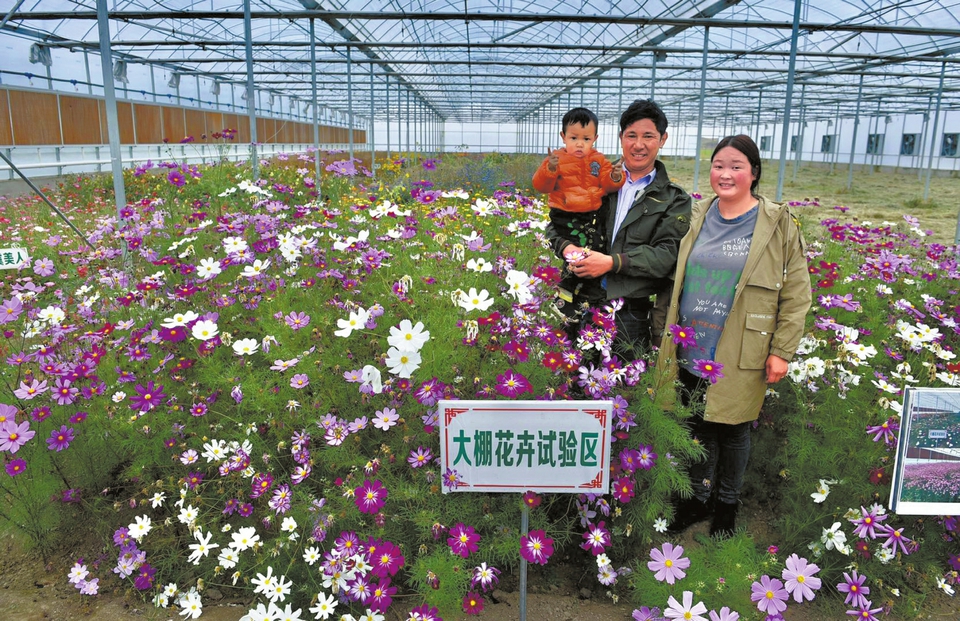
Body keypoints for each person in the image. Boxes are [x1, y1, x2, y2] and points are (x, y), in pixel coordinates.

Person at [657, 134, 812, 537]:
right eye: (718, 165)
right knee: (697, 424)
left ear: (754, 173)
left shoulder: (777, 224)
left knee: (734, 427)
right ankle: (697, 499)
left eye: (736, 166)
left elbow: (797, 293)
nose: (725, 174)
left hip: (743, 345)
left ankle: (726, 505)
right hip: (692, 342)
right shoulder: (698, 214)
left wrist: (782, 350)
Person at [547, 99, 692, 356]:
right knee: (570, 373)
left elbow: (667, 255)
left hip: (629, 313)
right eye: (631, 135)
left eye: (648, 136)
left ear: (663, 139)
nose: (638, 144)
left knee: (620, 378)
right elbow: (555, 225)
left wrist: (612, 263)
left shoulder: (673, 199)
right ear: (620, 137)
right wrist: (566, 247)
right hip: (579, 298)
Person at [533, 107, 624, 328]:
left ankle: (583, 298)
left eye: (586, 139)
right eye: (574, 138)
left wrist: (615, 176)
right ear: (563, 136)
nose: (580, 144)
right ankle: (565, 299)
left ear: (595, 139)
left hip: (590, 216)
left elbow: (608, 185)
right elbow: (541, 186)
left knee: (592, 251)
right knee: (575, 255)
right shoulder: (556, 159)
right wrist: (550, 169)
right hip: (564, 215)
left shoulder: (598, 160)